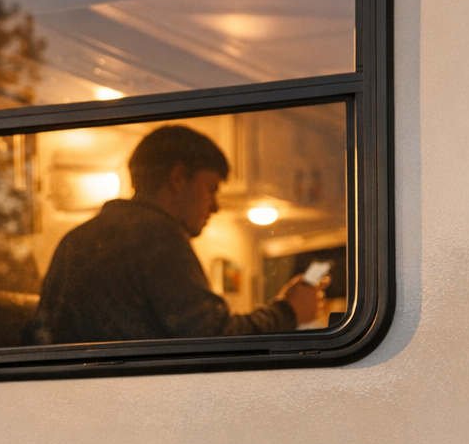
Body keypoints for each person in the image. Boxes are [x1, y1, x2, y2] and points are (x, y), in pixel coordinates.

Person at [34, 125, 327, 345]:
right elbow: (213, 337)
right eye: (211, 188)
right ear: (177, 178)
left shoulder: (76, 239)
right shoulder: (156, 236)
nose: (215, 205)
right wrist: (288, 312)